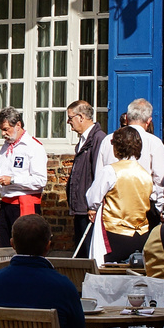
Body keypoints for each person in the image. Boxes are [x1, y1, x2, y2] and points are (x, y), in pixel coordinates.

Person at [86, 126, 160, 263]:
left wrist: (93, 207)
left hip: (114, 232)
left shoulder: (110, 171)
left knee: (109, 274)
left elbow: (92, 198)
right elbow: (152, 198)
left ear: (117, 147)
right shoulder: (145, 174)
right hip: (140, 234)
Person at [95, 98, 164, 222]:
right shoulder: (154, 143)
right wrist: (158, 207)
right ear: (149, 121)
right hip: (144, 207)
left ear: (126, 118)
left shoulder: (108, 140)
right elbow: (162, 179)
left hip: (113, 207)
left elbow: (99, 174)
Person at [0, 107, 49, 251]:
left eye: (6, 129)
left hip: (24, 203)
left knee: (26, 247)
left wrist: (13, 180)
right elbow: (6, 175)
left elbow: (40, 180)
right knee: (4, 246)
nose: (3, 133)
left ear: (18, 125)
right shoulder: (6, 146)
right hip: (6, 203)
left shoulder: (33, 147)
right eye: (1, 129)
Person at [65, 100, 106, 249]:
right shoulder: (84, 140)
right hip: (81, 207)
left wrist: (93, 206)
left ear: (81, 117)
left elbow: (99, 174)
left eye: (70, 118)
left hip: (89, 210)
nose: (69, 122)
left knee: (89, 252)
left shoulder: (98, 139)